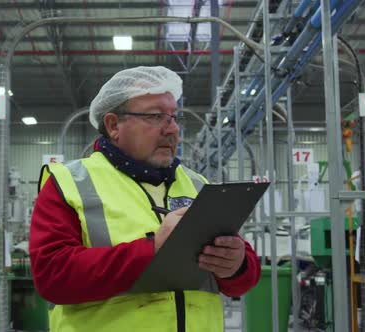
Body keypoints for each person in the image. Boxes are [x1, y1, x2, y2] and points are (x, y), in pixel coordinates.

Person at [29, 66, 261, 332]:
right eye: (155, 116)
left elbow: (243, 278)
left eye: (174, 117)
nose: (172, 129)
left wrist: (237, 264)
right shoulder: (71, 183)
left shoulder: (198, 186)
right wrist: (151, 251)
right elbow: (52, 277)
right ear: (114, 125)